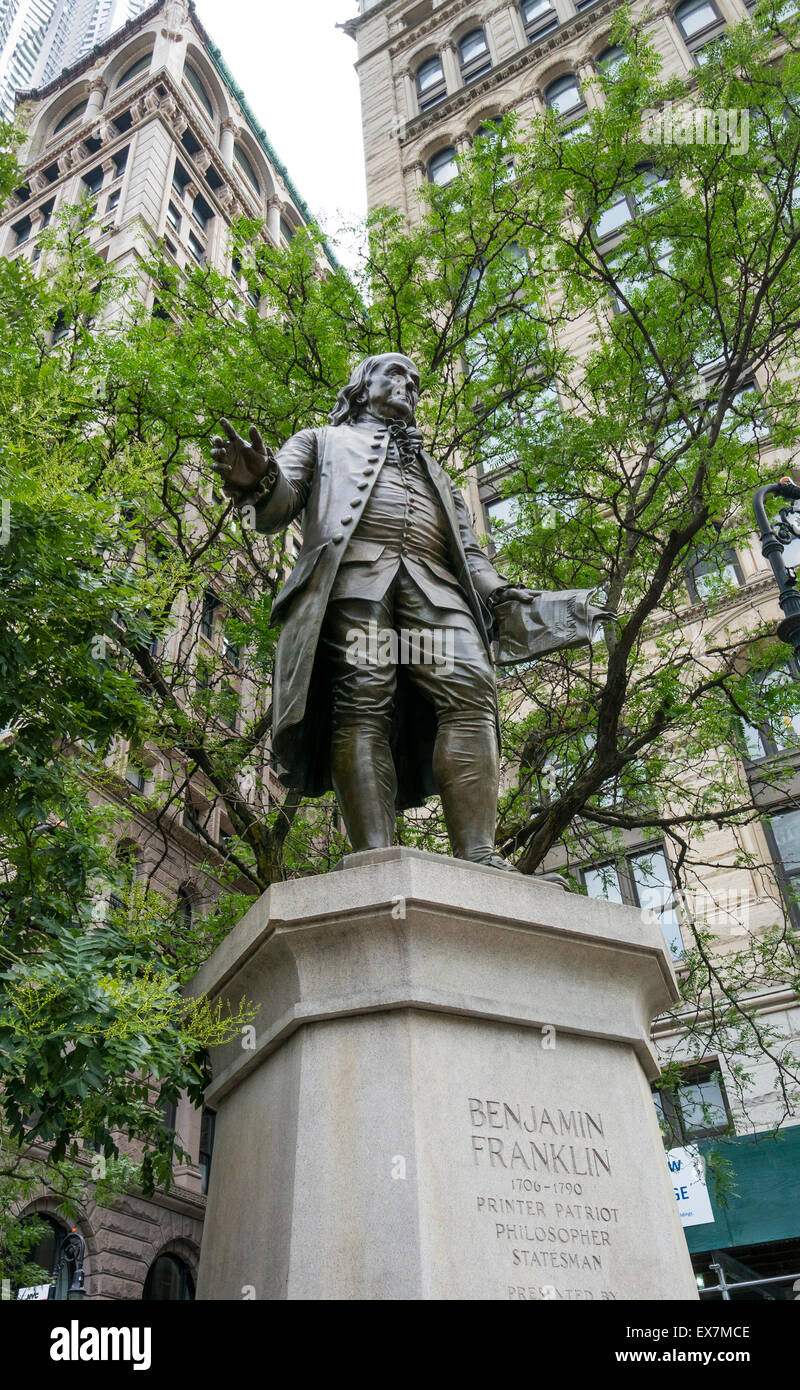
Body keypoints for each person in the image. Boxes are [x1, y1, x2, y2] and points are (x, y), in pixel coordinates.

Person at [210, 352, 544, 869]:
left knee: (474, 693)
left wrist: (500, 592)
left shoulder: (436, 472)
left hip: (437, 589)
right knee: (363, 701)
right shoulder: (320, 441)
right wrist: (255, 481)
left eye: (414, 379)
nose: (408, 383)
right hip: (355, 584)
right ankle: (374, 855)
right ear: (362, 387)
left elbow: (470, 553)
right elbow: (276, 508)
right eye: (395, 373)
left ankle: (478, 851)